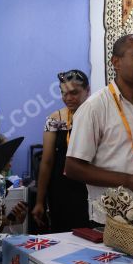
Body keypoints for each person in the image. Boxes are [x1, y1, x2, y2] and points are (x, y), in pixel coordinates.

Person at [64, 34, 133, 223]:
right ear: (116, 62)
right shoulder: (94, 108)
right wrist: (127, 180)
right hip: (110, 220)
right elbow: (73, 168)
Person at [32, 69, 90, 232]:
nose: (68, 98)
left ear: (87, 90)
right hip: (61, 188)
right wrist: (39, 201)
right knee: (62, 233)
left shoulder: (98, 116)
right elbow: (47, 161)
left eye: (74, 93)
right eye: (64, 93)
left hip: (90, 185)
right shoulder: (54, 119)